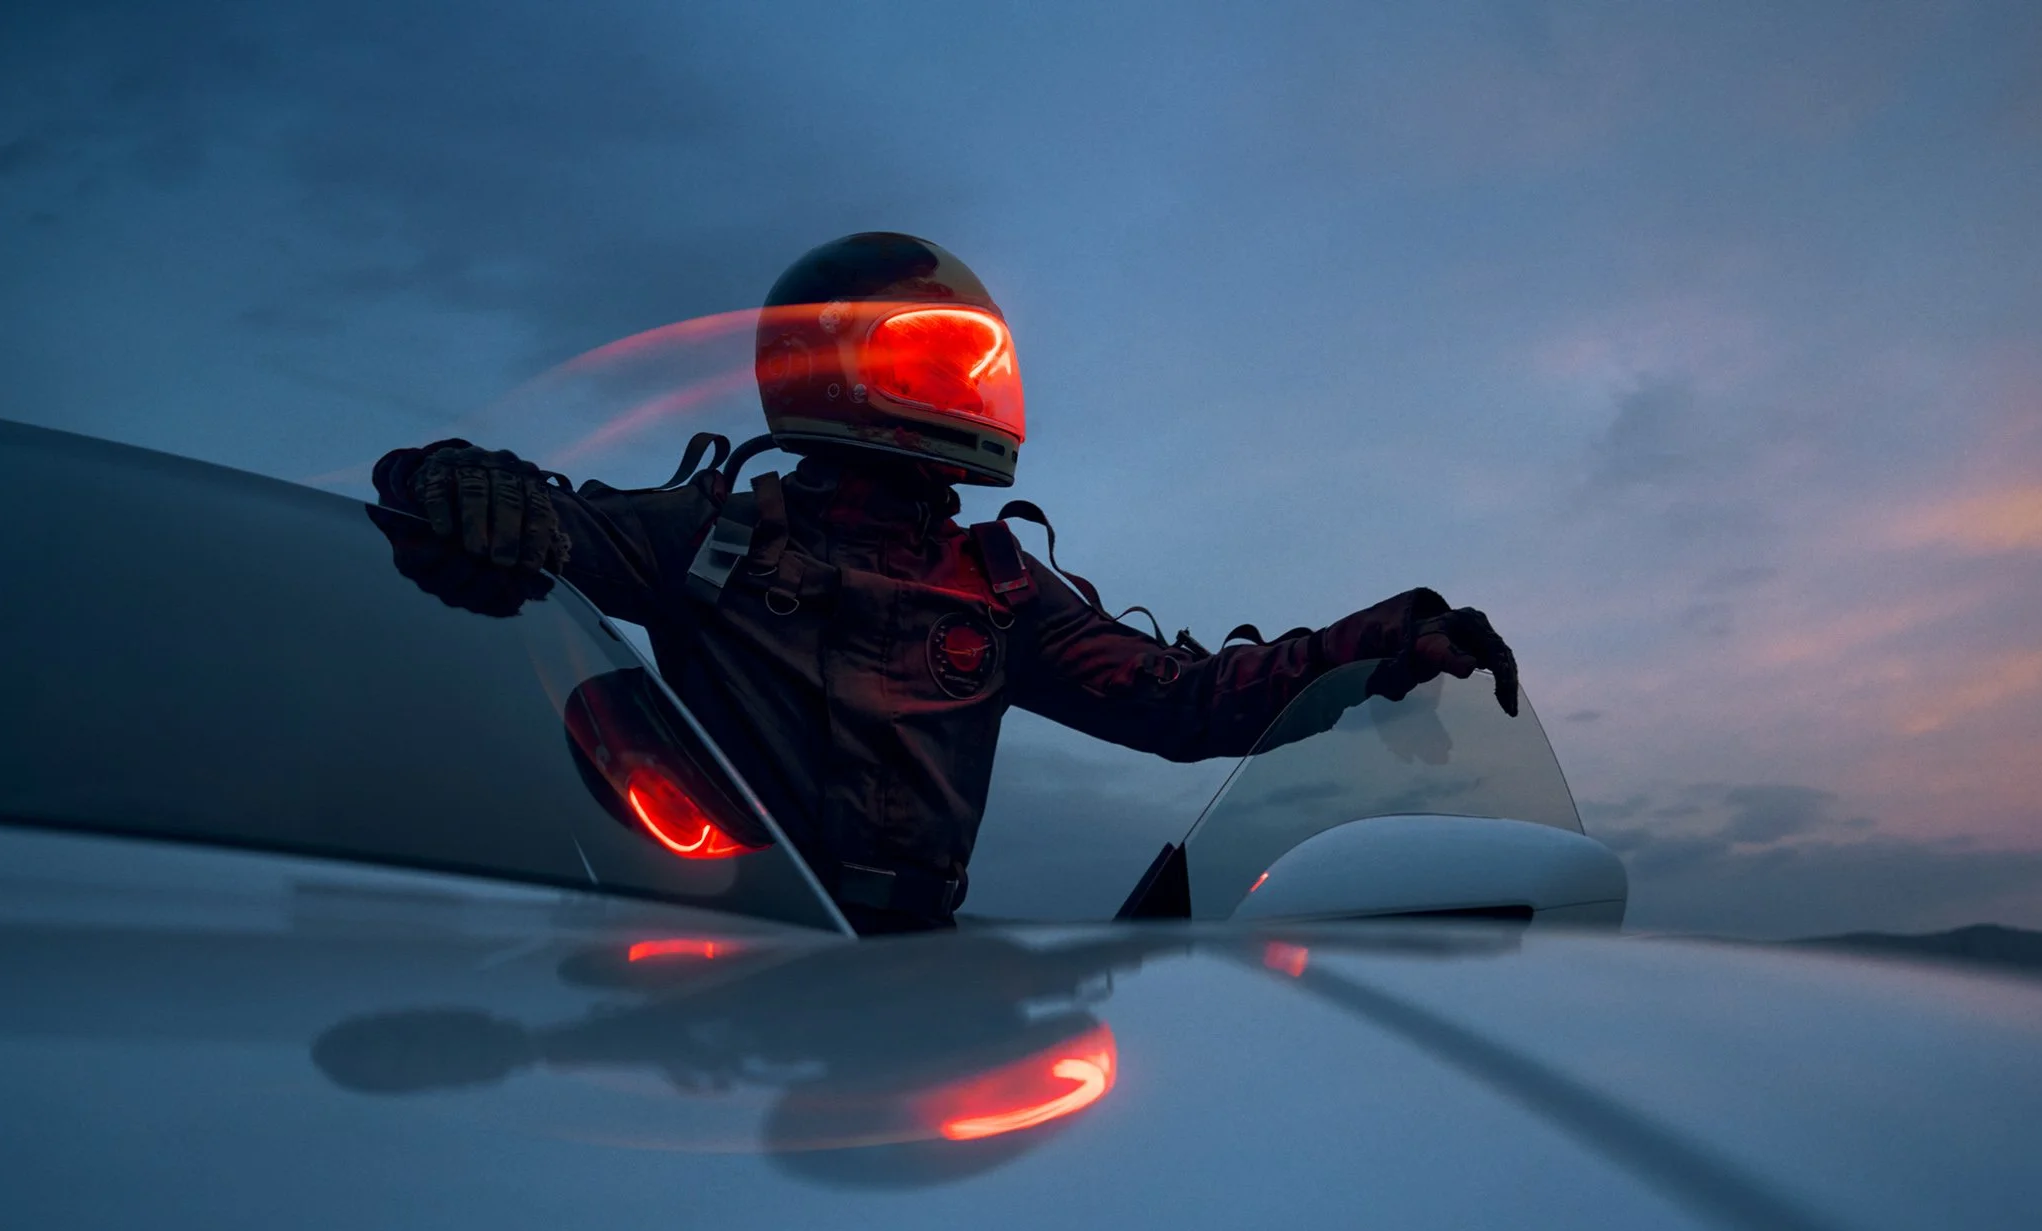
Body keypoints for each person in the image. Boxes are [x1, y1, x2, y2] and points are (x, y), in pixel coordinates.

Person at [373, 232, 1518, 933]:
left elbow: (1185, 702)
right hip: (729, 958)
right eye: (930, 355)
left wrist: (1390, 640)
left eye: (974, 360)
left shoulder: (1001, 584)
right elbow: (547, 527)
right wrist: (458, 482)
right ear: (828, 361)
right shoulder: (712, 535)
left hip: (928, 966)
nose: (966, 383)